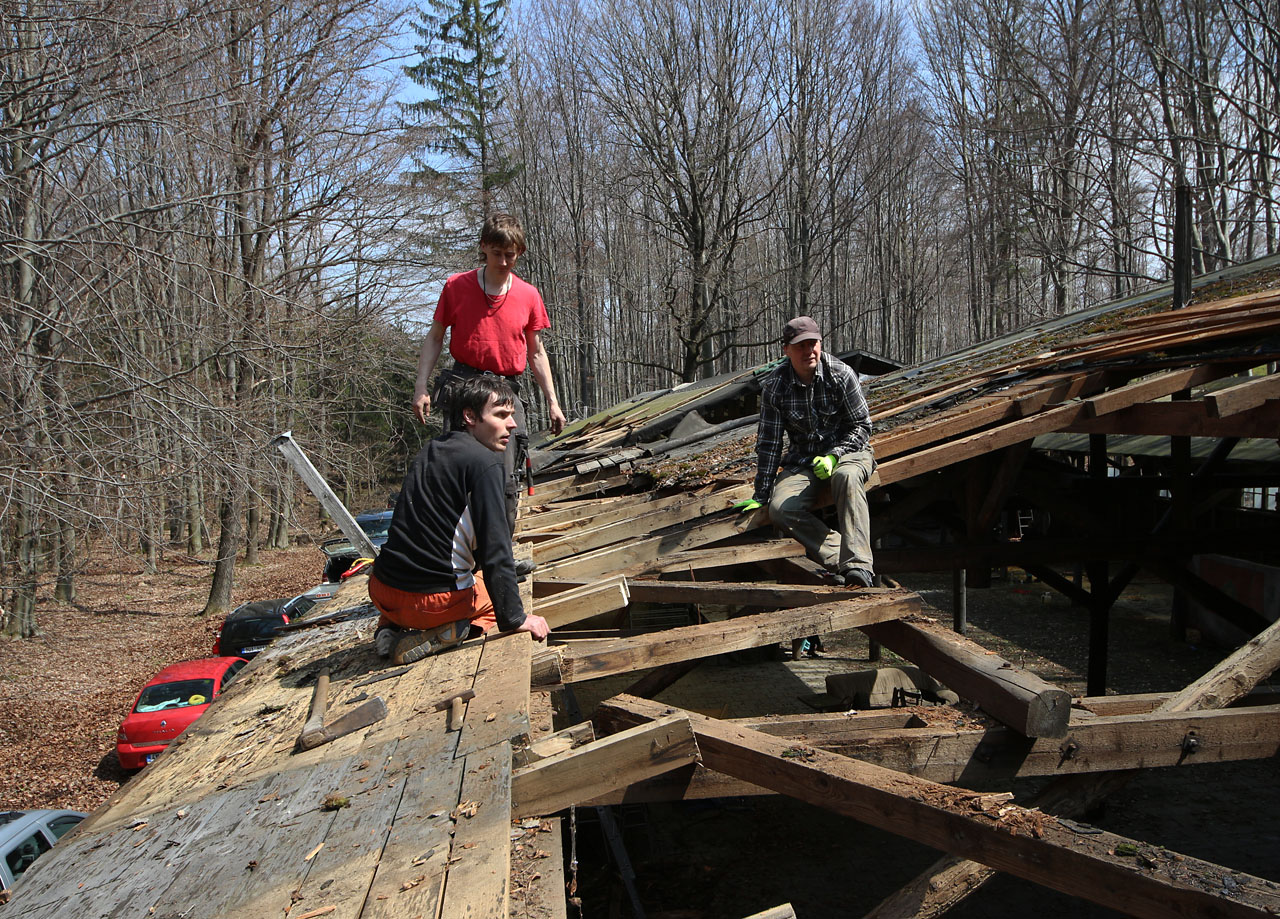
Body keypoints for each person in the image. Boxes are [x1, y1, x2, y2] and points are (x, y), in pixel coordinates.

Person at [371, 377, 550, 665]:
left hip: (382, 592)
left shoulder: (431, 449)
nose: (512, 425)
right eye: (501, 415)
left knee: (459, 575)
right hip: (429, 606)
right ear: (469, 416)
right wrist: (517, 618)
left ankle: (387, 631)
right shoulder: (487, 463)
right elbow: (496, 551)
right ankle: (453, 631)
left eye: (512, 416)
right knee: (497, 601)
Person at [412, 213, 567, 534]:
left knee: (505, 475)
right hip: (464, 387)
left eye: (511, 254)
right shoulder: (457, 286)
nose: (504, 261)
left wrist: (553, 401)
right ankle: (457, 558)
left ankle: (500, 558)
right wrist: (421, 386)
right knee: (458, 471)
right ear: (483, 247)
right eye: (497, 253)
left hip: (506, 391)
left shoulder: (528, 295)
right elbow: (435, 337)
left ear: (520, 252)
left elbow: (536, 352)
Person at [737, 316, 876, 590]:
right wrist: (761, 493)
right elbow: (769, 443)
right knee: (780, 509)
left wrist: (834, 455)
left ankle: (859, 566)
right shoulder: (775, 387)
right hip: (803, 460)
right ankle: (840, 556)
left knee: (846, 478)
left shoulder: (841, 374)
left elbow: (862, 426)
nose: (808, 351)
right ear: (786, 350)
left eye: (813, 344)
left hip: (849, 452)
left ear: (820, 345)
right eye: (800, 346)